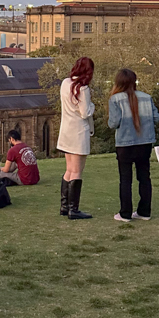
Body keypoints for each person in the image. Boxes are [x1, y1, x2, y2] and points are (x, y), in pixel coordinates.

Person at [108, 68, 159, 222]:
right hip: (145, 142)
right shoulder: (147, 97)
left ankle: (125, 213)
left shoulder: (115, 99)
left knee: (125, 179)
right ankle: (144, 211)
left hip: (125, 143)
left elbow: (114, 123)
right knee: (144, 177)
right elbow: (156, 118)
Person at [56, 57, 95, 220]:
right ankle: (74, 209)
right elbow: (85, 112)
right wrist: (93, 105)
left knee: (69, 169)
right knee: (77, 170)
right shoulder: (83, 89)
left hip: (66, 130)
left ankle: (65, 206)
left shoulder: (65, 83)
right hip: (79, 131)